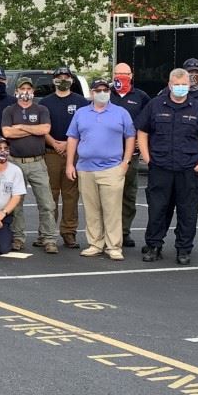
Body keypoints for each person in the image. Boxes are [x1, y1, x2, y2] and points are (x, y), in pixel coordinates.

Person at [136, 68, 198, 265]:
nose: (180, 88)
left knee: (188, 211)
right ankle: (154, 246)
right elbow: (142, 132)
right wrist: (147, 157)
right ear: (170, 85)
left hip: (188, 168)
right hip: (161, 167)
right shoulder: (155, 105)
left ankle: (184, 249)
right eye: (177, 84)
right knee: (157, 209)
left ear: (189, 85)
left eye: (184, 84)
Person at [65, 79, 136, 261]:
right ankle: (95, 244)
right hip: (86, 168)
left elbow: (130, 136)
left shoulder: (121, 113)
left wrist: (125, 162)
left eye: (105, 89)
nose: (102, 92)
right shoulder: (81, 113)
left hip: (112, 168)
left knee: (112, 210)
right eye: (98, 90)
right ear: (92, 92)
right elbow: (73, 138)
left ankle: (113, 246)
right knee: (92, 209)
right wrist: (70, 164)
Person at [0, 76, 57, 254]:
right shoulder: (9, 110)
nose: (26, 92)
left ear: (33, 91)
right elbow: (7, 133)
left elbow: (45, 129)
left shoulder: (41, 109)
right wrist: (32, 128)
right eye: (22, 89)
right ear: (16, 91)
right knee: (16, 203)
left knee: (47, 203)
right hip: (15, 162)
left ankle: (48, 238)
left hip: (38, 162)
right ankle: (17, 238)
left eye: (29, 89)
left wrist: (22, 127)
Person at [40, 66, 88, 248]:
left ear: (71, 79)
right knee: (49, 195)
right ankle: (47, 233)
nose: (62, 80)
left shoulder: (81, 102)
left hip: (73, 153)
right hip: (51, 152)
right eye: (58, 77)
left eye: (66, 77)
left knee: (70, 195)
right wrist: (54, 143)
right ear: (53, 81)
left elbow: (84, 127)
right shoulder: (45, 102)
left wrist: (68, 145)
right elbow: (42, 127)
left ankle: (69, 232)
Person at [110, 62, 150, 249]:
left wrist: (140, 142)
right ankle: (107, 232)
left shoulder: (141, 97)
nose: (121, 77)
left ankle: (124, 232)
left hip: (130, 156)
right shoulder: (105, 94)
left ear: (131, 75)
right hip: (107, 155)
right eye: (118, 73)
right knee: (107, 195)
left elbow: (148, 123)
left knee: (128, 195)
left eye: (125, 73)